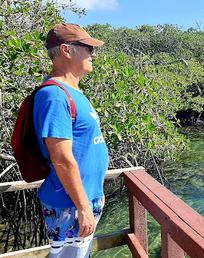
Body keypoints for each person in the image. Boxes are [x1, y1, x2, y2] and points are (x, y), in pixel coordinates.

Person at [33, 23, 109, 258]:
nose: (92, 54)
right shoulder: (55, 95)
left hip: (82, 200)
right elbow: (62, 160)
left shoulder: (75, 92)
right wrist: (84, 207)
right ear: (66, 50)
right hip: (71, 204)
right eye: (87, 48)